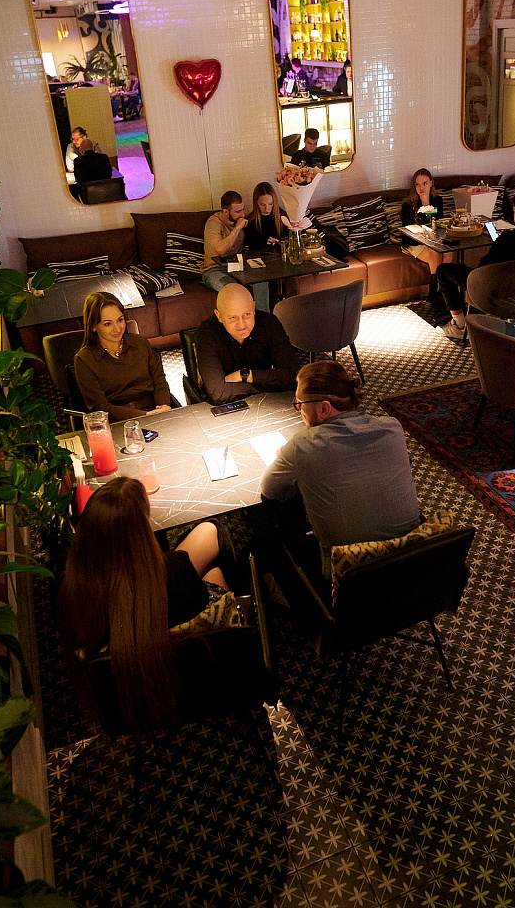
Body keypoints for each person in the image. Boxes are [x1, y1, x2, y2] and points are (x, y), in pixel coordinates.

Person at [58, 476, 242, 731]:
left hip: (122, 705)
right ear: (141, 533)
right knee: (214, 565)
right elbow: (197, 599)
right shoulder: (177, 574)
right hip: (197, 680)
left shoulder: (70, 593)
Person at [261, 361, 422, 577]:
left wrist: (288, 457)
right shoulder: (392, 427)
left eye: (300, 403)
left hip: (350, 577)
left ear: (324, 408)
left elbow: (269, 490)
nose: (298, 409)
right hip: (412, 564)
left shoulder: (302, 446)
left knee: (272, 512)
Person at [434, 187, 515, 340]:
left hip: (498, 295)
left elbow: (483, 268)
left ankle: (459, 325)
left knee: (443, 271)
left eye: (513, 211)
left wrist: (498, 243)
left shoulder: (509, 239)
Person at [73, 290, 173, 421]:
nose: (117, 328)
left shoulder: (140, 343)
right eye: (107, 324)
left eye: (120, 320)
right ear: (93, 326)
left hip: (155, 407)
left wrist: (163, 406)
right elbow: (100, 407)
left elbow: (159, 380)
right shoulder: (84, 360)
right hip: (118, 418)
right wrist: (144, 416)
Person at [195, 283, 303, 403]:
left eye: (247, 315)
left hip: (266, 402)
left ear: (254, 308)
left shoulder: (269, 323)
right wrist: (266, 383)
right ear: (219, 316)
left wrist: (246, 376)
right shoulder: (207, 333)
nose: (242, 324)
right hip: (226, 407)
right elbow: (218, 394)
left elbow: (293, 375)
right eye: (233, 318)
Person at [202, 190, 267, 310]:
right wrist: (237, 228)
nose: (242, 214)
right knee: (233, 288)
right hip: (214, 270)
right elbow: (221, 250)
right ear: (225, 212)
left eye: (243, 209)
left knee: (261, 281)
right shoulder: (214, 222)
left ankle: (263, 319)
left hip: (237, 267)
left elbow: (256, 237)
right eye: (238, 211)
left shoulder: (241, 220)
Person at [244, 182, 287, 251]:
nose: (267, 209)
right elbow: (249, 246)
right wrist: (264, 243)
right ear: (256, 202)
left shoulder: (283, 217)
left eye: (270, 204)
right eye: (262, 205)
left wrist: (281, 243)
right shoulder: (251, 221)